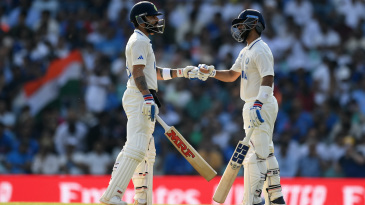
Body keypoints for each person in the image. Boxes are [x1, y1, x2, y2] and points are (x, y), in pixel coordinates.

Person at [99, 1, 196, 205]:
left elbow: (155, 73)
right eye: (152, 17)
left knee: (145, 149)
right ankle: (112, 196)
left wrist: (182, 72)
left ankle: (142, 198)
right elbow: (137, 73)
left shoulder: (142, 41)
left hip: (142, 95)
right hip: (139, 96)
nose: (156, 20)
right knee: (136, 147)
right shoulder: (139, 41)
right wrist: (147, 96)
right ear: (142, 19)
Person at [196, 9, 286, 205]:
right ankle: (276, 196)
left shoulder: (261, 49)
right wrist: (211, 72)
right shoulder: (246, 51)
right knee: (265, 152)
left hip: (260, 102)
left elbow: (268, 78)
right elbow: (231, 75)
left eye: (241, 24)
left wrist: (258, 104)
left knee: (255, 156)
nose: (238, 28)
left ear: (254, 24)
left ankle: (253, 200)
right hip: (254, 104)